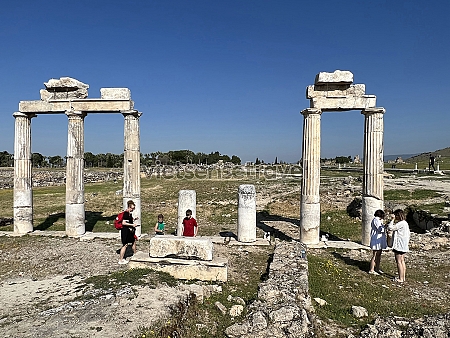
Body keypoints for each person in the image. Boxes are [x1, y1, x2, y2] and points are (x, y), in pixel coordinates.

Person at [387, 209, 410, 283]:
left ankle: (400, 278)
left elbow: (390, 228)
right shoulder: (405, 223)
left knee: (399, 261)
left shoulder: (401, 223)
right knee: (402, 261)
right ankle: (403, 277)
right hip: (403, 245)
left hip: (399, 245)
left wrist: (392, 220)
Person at [118, 200, 139, 265]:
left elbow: (128, 221)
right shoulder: (126, 213)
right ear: (129, 207)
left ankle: (135, 254)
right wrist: (132, 225)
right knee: (125, 245)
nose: (133, 210)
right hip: (125, 231)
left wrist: (134, 219)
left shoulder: (129, 214)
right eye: (132, 208)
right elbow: (124, 223)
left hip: (129, 231)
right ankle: (121, 260)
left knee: (133, 241)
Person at [368, 209, 387, 275]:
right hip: (376, 239)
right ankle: (371, 269)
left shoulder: (378, 220)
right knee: (375, 255)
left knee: (379, 255)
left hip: (379, 239)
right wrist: (385, 227)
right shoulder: (376, 219)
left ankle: (377, 268)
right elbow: (380, 229)